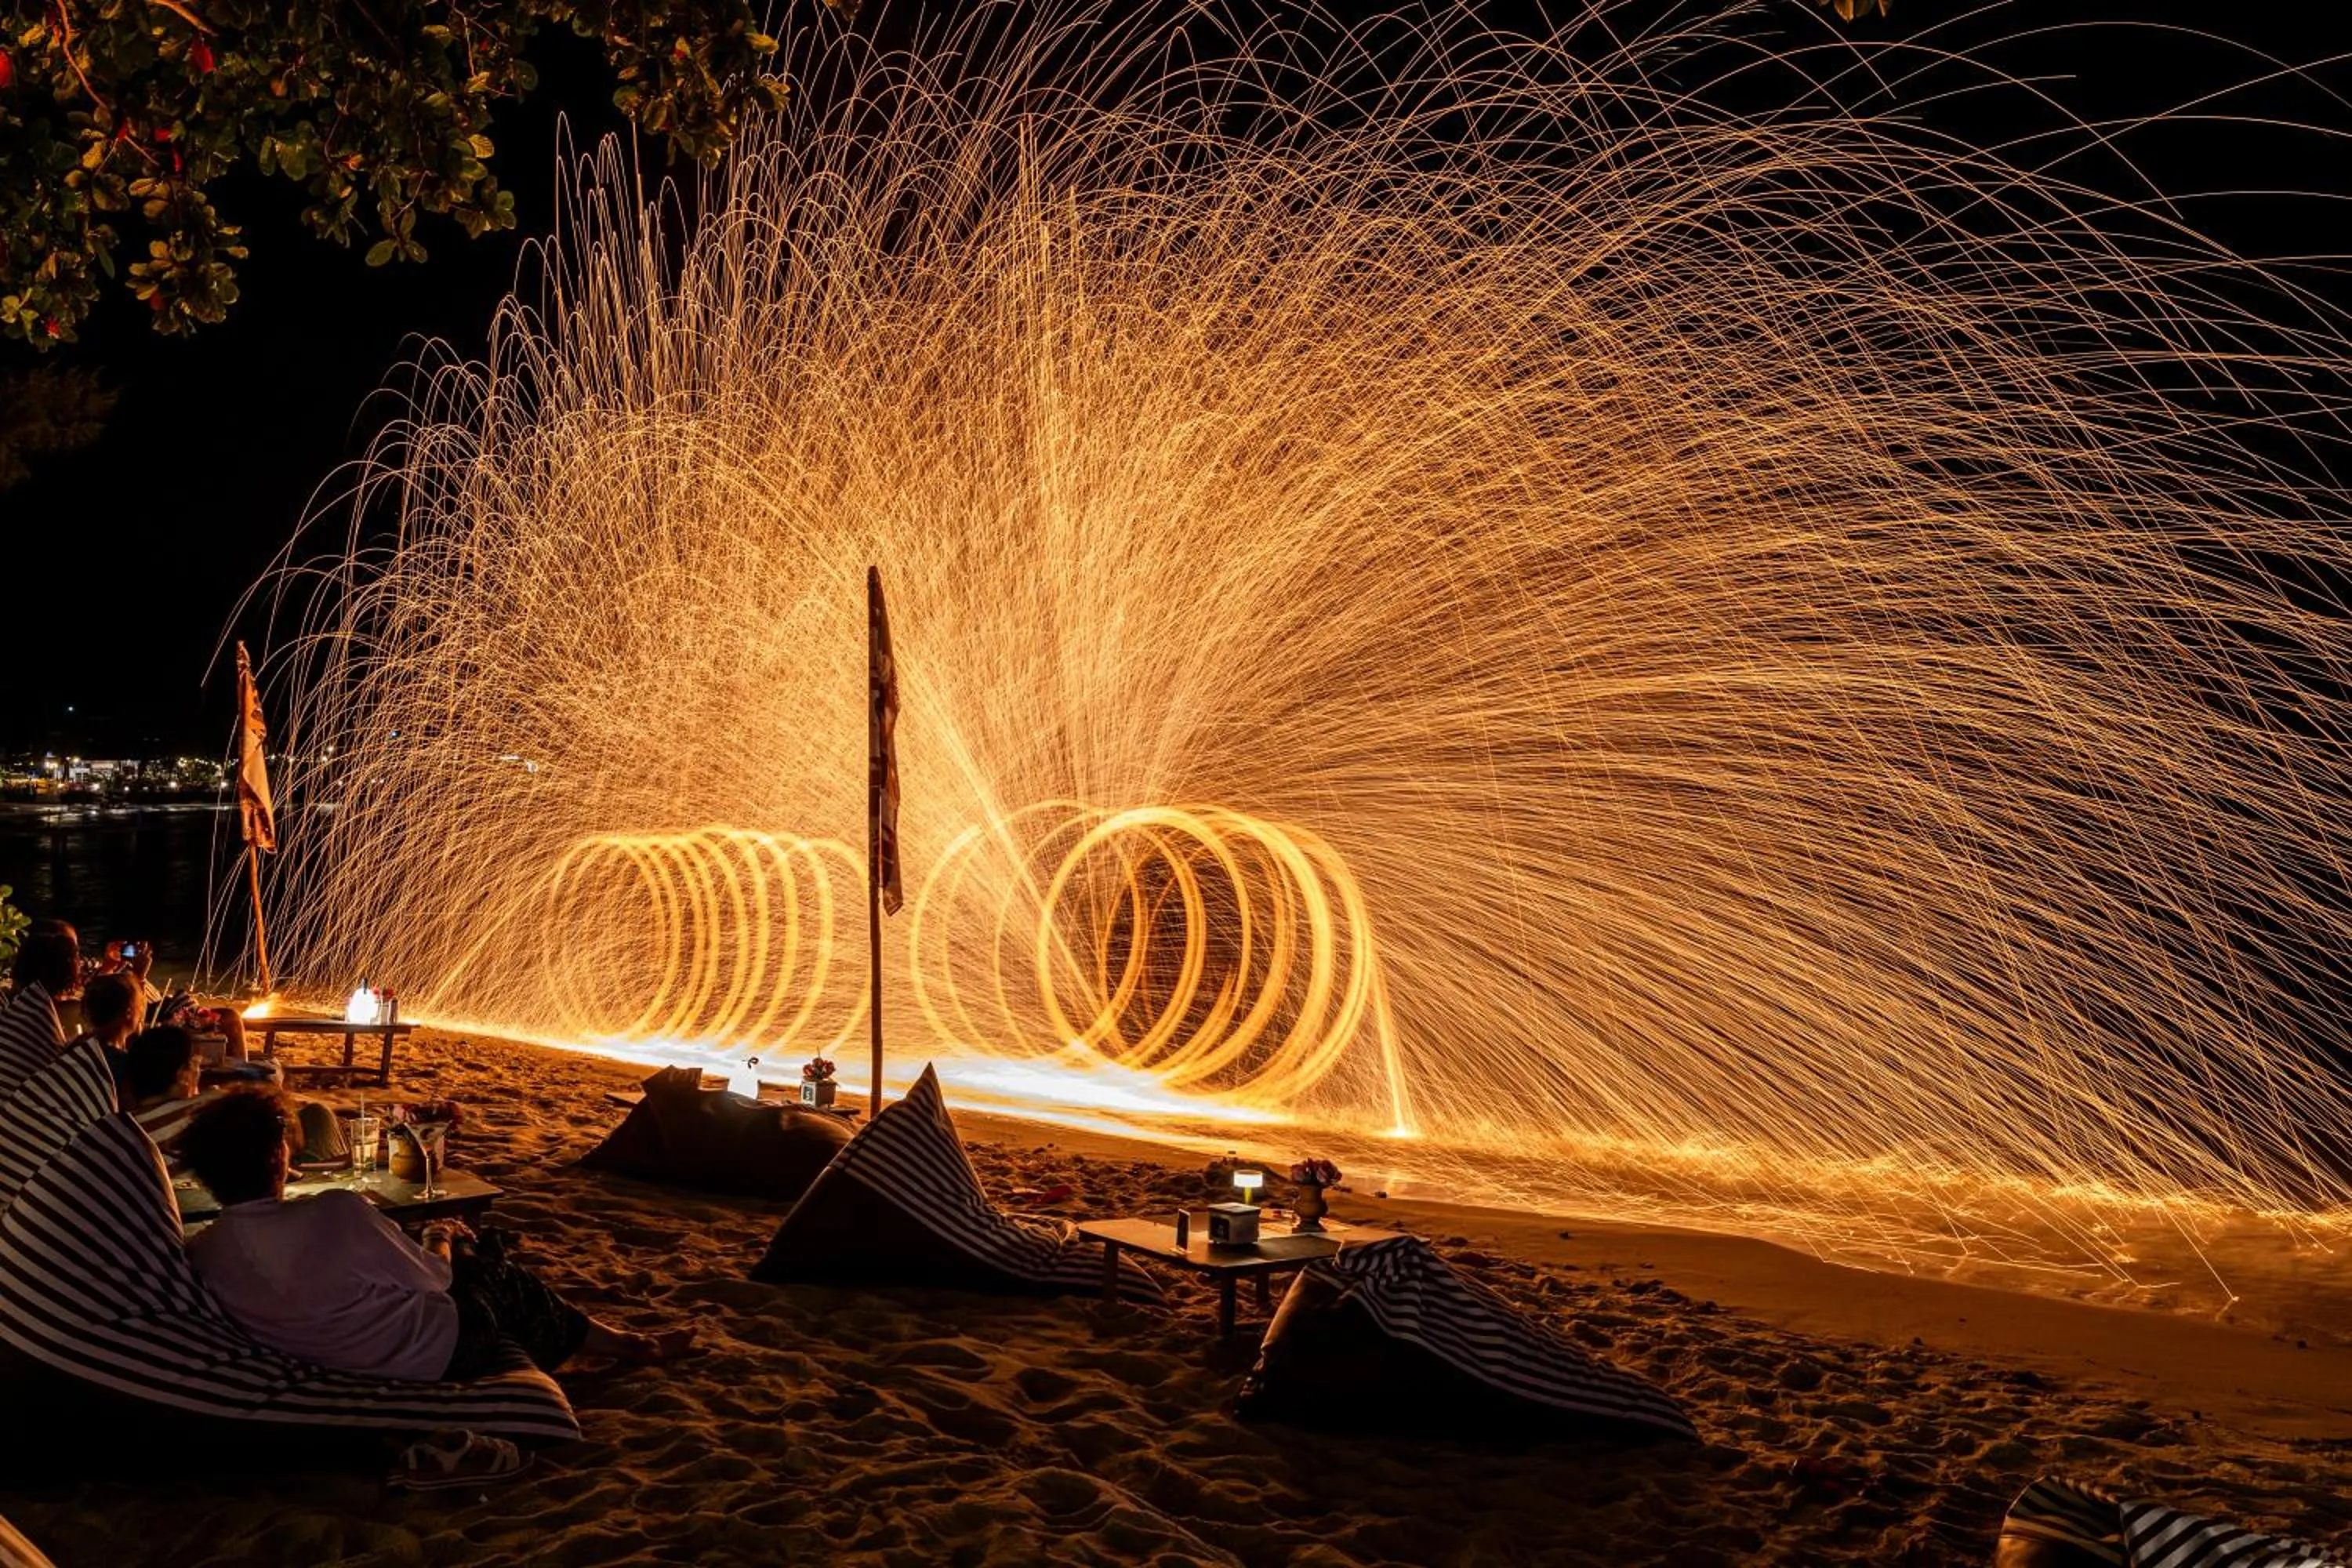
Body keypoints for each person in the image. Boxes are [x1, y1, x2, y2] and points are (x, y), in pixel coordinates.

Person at [178, 1087, 694, 1381]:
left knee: (476, 1261)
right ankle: (631, 1344)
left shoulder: (205, 1250)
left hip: (333, 1355)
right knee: (494, 1277)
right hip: (438, 1352)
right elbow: (435, 1280)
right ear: (279, 1156)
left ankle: (483, 1251)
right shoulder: (335, 1212)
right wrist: (439, 1238)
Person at [123, 1024, 206, 1158]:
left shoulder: (122, 1129)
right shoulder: (198, 1119)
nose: (199, 1073)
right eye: (196, 1065)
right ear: (182, 1075)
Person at [73, 971, 143, 1098]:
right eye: (140, 1005)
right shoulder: (121, 1065)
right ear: (128, 1012)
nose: (142, 1011)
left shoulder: (79, 1045)